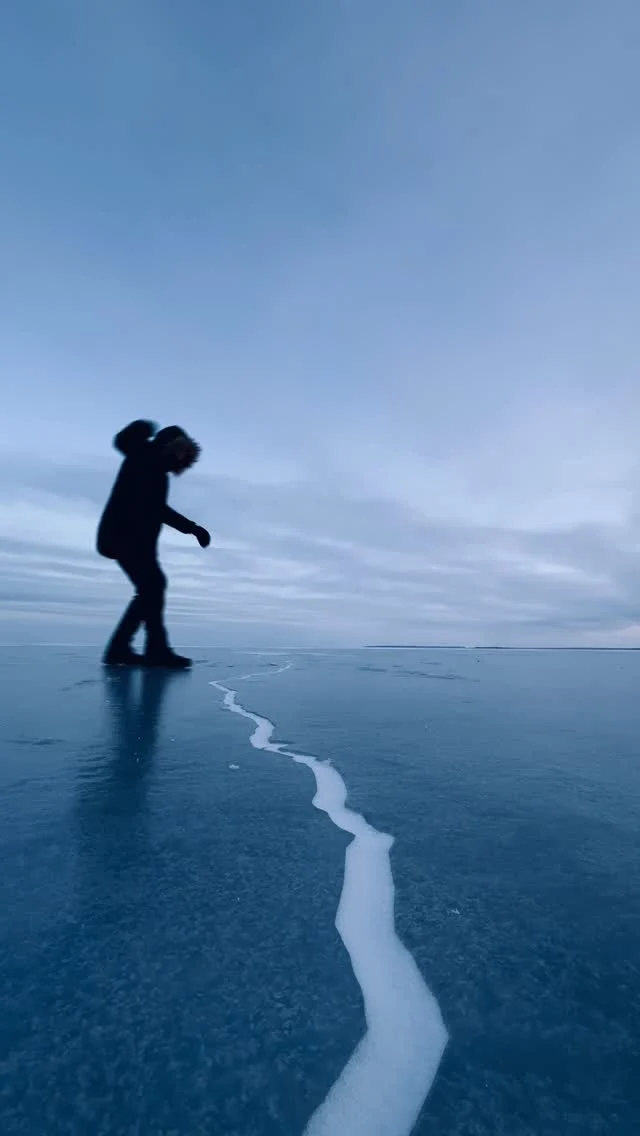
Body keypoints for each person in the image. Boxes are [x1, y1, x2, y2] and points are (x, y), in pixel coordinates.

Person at [96, 419, 211, 669]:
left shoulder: (155, 466)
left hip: (131, 539)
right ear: (171, 446)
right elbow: (156, 508)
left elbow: (154, 508)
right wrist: (192, 528)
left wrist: (191, 528)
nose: (182, 459)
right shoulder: (146, 457)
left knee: (151, 587)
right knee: (153, 586)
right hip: (124, 537)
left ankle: (122, 649)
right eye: (181, 451)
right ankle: (151, 650)